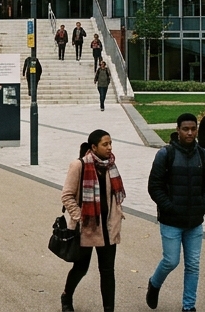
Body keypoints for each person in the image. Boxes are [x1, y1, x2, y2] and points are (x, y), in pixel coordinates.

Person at [145, 113, 205, 312]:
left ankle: (189, 306)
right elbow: (154, 186)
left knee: (193, 265)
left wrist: (203, 206)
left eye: (193, 129)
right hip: (171, 220)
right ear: (178, 130)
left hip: (195, 222)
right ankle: (154, 283)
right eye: (186, 129)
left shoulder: (203, 155)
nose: (190, 133)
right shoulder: (166, 154)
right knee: (171, 260)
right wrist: (169, 206)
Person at [59, 129, 124, 312]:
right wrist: (80, 217)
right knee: (81, 267)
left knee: (107, 271)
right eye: (105, 144)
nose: (109, 148)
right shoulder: (79, 165)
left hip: (108, 227)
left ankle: (109, 309)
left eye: (110, 143)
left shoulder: (111, 166)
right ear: (93, 147)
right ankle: (66, 296)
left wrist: (118, 211)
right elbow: (67, 196)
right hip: (86, 228)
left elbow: (114, 195)